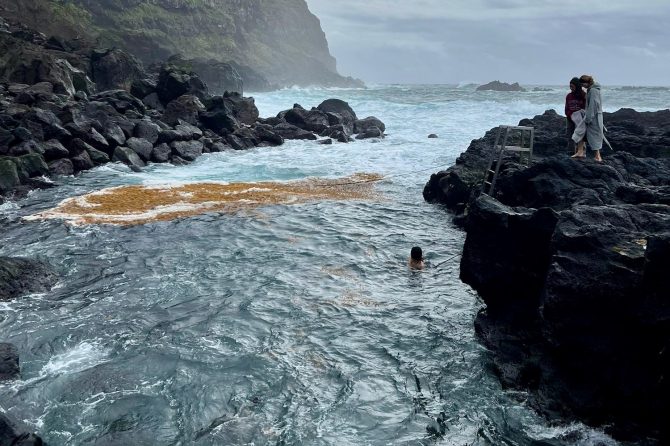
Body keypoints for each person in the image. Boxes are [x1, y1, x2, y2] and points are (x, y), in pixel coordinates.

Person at [573, 75, 604, 162]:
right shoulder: (592, 89)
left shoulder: (593, 90)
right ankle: (580, 152)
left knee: (594, 136)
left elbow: (593, 106)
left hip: (593, 117)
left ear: (586, 82)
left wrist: (588, 118)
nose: (583, 86)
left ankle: (598, 157)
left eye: (583, 84)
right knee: (582, 132)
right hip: (593, 116)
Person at [565, 77, 586, 154]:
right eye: (570, 86)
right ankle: (571, 152)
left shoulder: (583, 95)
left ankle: (581, 152)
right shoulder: (569, 96)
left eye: (572, 87)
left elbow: (585, 107)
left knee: (580, 135)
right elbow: (566, 107)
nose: (571, 88)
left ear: (577, 86)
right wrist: (569, 115)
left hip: (580, 119)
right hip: (570, 118)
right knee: (570, 135)